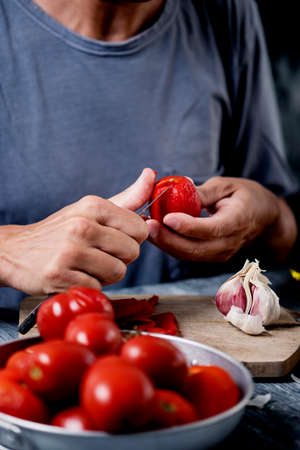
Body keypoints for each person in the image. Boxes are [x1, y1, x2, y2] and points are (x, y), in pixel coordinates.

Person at [0, 0, 298, 310]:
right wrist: (7, 250)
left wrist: (269, 219)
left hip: (191, 343)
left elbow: (286, 240)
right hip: (27, 345)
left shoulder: (225, 10)